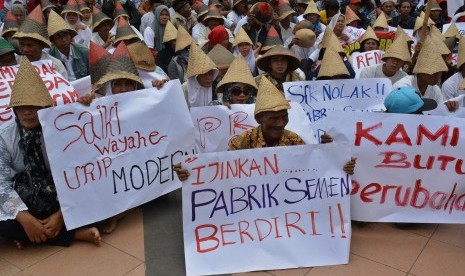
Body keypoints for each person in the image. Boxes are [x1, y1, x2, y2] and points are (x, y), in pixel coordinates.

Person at [0, 57, 101, 248]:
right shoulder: (4, 137)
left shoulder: (61, 129)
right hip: (25, 199)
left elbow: (78, 173)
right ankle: (73, 234)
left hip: (59, 198)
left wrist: (61, 215)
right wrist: (24, 218)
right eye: (22, 106)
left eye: (34, 106)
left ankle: (33, 236)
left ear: (45, 108)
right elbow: (1, 184)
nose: (28, 112)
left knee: (96, 195)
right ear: (14, 109)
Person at [174, 76, 356, 180]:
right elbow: (223, 174)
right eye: (274, 118)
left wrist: (339, 165)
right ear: (259, 119)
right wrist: (191, 175)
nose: (280, 123)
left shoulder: (295, 141)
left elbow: (314, 170)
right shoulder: (242, 143)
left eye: (284, 117)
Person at [12, 5, 68, 80]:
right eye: (22, 44)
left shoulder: (55, 65)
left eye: (30, 45)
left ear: (41, 45)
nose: (25, 49)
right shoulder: (13, 62)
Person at [48, 10, 89, 81]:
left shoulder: (84, 52)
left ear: (70, 36)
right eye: (59, 37)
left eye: (65, 35)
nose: (64, 39)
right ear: (53, 41)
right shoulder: (49, 58)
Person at [182, 41, 219, 108]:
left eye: (210, 74)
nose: (208, 78)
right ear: (196, 77)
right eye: (204, 74)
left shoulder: (216, 87)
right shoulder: (185, 88)